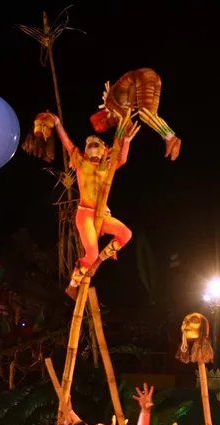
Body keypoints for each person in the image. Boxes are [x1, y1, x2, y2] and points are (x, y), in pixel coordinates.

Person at [47, 111, 139, 294]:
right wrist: (57, 123)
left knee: (126, 234)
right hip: (85, 214)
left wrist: (126, 141)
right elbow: (67, 144)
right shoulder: (81, 163)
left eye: (96, 145)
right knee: (91, 254)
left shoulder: (108, 167)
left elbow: (122, 158)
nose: (92, 148)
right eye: (89, 145)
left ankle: (98, 262)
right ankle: (72, 286)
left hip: (102, 214)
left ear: (104, 149)